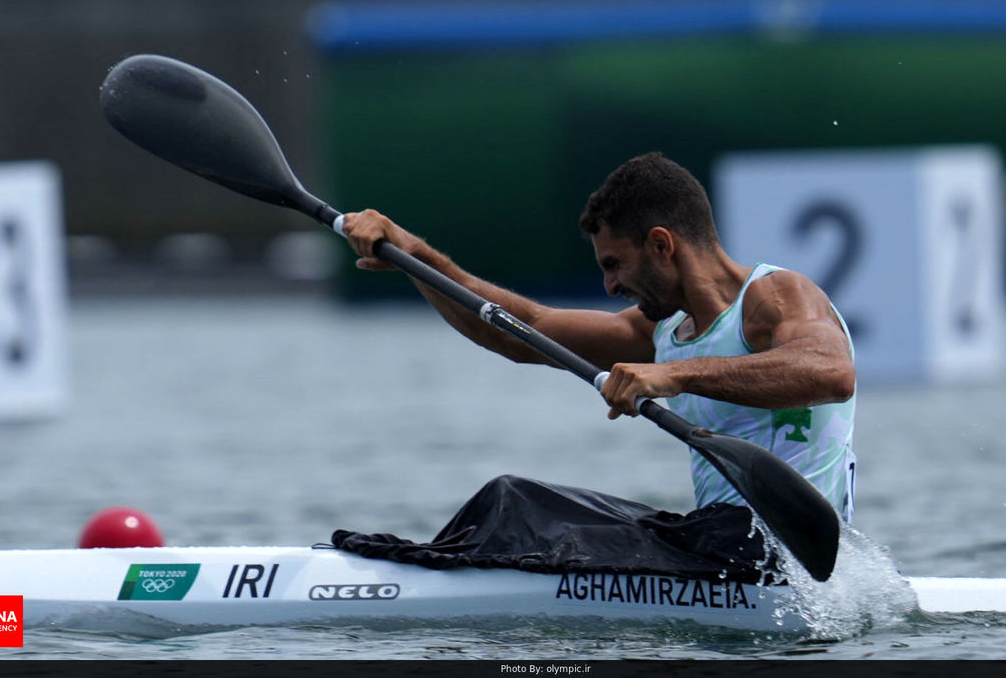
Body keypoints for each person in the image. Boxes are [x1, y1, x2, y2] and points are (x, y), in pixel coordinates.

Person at [342, 152, 857, 523]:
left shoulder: (775, 296)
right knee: (516, 503)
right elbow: (525, 332)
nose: (610, 285)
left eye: (615, 265)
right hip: (722, 550)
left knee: (516, 506)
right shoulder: (661, 333)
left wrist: (672, 376)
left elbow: (831, 372)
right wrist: (414, 256)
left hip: (782, 559)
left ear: (661, 245)